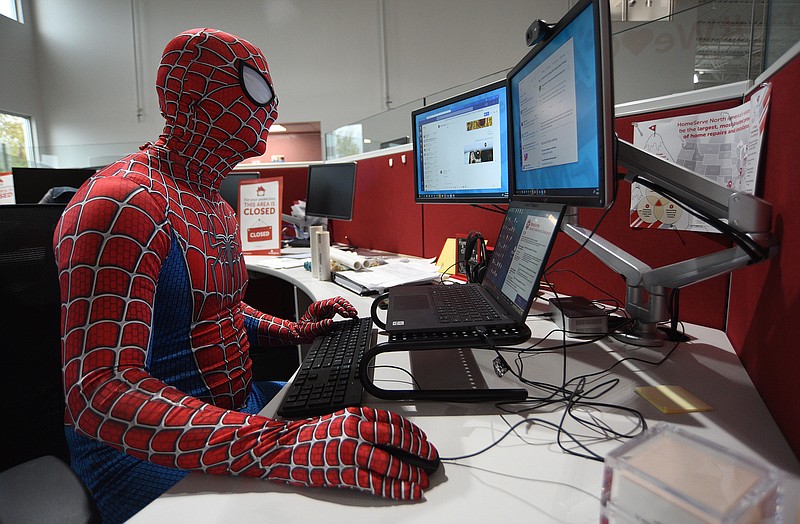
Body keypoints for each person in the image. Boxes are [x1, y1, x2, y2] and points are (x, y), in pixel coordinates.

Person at [53, 27, 438, 523]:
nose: (272, 110)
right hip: (140, 454)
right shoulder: (122, 203)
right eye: (256, 90)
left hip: (237, 413)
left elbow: (221, 312)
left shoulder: (212, 201)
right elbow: (98, 392)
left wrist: (295, 330)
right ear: (191, 96)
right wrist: (286, 445)